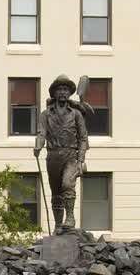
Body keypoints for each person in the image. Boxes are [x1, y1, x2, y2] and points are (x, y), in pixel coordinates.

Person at [34, 74, 89, 232]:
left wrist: (80, 160)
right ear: (54, 93)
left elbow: (83, 138)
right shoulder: (46, 114)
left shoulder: (76, 114)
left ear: (70, 93)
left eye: (66, 89)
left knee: (67, 184)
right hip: (53, 156)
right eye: (60, 89)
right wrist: (38, 146)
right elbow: (41, 132)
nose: (63, 92)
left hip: (70, 154)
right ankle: (58, 225)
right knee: (56, 193)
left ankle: (70, 217)